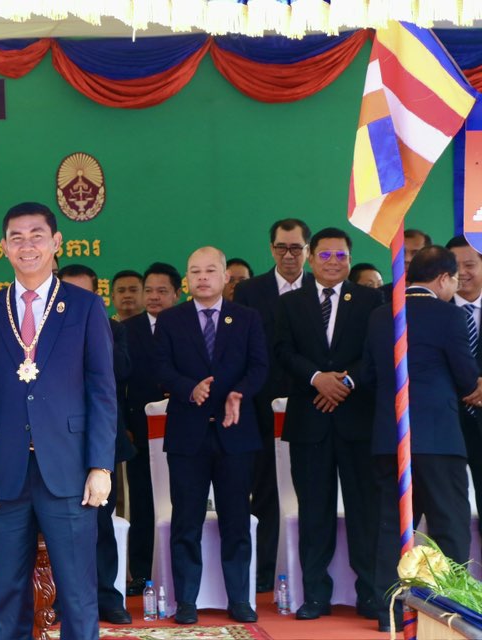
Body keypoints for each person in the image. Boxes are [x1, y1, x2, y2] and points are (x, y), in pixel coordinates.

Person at [0, 202, 116, 639]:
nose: (26, 246)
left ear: (56, 242)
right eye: (16, 237)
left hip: (69, 471)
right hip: (3, 475)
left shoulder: (85, 307)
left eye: (36, 236)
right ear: (3, 246)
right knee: (8, 595)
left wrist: (100, 466)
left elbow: (102, 392)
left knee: (78, 593)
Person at [363, 245, 482, 632]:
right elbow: (466, 377)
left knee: (393, 527)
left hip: (390, 437)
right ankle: (451, 611)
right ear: (443, 278)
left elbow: (368, 374)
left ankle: (389, 613)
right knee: (450, 525)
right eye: (454, 280)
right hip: (439, 440)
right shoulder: (450, 315)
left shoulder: (381, 315)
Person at [274, 227, 383, 622]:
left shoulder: (371, 300)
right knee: (314, 512)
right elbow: (282, 350)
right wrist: (317, 378)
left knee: (364, 512)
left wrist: (345, 382)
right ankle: (315, 596)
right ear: (310, 258)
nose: (333, 262)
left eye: (341, 256)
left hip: (358, 423)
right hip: (310, 421)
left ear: (350, 259)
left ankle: (370, 594)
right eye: (325, 255)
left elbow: (376, 352)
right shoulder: (291, 302)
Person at [156, 246, 267, 625]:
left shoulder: (247, 318)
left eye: (209, 271)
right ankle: (186, 601)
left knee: (236, 520)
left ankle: (239, 599)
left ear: (225, 277)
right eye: (194, 271)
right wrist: (188, 388)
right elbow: (159, 367)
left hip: (235, 432)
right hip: (187, 435)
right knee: (186, 521)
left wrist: (239, 393)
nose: (202, 278)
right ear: (186, 279)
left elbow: (259, 366)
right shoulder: (171, 320)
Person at [233, 217, 314, 594]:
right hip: (260, 406)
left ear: (307, 251)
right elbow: (242, 350)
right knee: (264, 491)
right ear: (271, 249)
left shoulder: (318, 288)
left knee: (311, 490)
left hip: (311, 402)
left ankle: (310, 572)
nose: (289, 255)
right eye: (282, 247)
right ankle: (264, 571)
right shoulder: (250, 291)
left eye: (296, 248)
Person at [58, 263, 134, 624]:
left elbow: (122, 370)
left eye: (82, 295)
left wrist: (92, 329)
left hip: (100, 444)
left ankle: (107, 596)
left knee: (101, 523)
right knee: (55, 528)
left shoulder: (113, 329)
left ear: (96, 298)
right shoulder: (40, 331)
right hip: (56, 445)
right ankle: (58, 599)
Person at [123, 261, 181, 596]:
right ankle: (142, 573)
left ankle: (179, 570)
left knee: (183, 501)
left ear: (177, 294)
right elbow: (115, 384)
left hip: (183, 430)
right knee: (143, 503)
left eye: (162, 291)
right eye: (149, 291)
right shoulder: (127, 330)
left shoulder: (188, 324)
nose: (154, 297)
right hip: (140, 433)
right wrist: (123, 426)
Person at [445, 236, 482, 563]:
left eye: (470, 264)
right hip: (446, 427)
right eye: (455, 267)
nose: (463, 273)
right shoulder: (434, 312)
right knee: (447, 517)